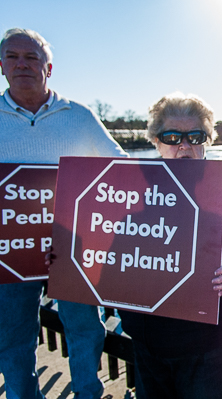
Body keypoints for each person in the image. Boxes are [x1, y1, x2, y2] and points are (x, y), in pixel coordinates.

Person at [118, 92, 222, 399]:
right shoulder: (129, 188)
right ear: (156, 141)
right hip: (148, 340)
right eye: (172, 136)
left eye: (195, 136)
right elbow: (107, 244)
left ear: (207, 141)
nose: (184, 146)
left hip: (212, 343)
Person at [0, 28, 128, 399]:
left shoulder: (79, 116)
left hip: (73, 246)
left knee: (85, 327)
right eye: (13, 57)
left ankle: (88, 392)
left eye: (32, 57)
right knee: (13, 333)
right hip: (11, 251)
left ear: (48, 68)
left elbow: (119, 166)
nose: (22, 64)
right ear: (2, 65)